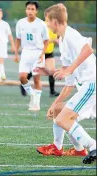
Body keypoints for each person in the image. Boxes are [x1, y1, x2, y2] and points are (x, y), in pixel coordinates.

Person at [36, 3, 96, 164]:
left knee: (63, 119)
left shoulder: (71, 35)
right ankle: (72, 149)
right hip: (86, 87)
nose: (47, 24)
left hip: (92, 85)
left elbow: (88, 50)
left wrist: (69, 69)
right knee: (58, 110)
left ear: (55, 21)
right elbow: (69, 84)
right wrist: (53, 104)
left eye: (47, 21)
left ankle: (93, 146)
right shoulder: (63, 41)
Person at [15, 1, 49, 111]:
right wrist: (16, 53)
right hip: (25, 52)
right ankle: (32, 94)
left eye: (32, 9)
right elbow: (18, 39)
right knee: (22, 77)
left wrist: (42, 54)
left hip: (38, 53)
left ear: (36, 11)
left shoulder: (41, 24)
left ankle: (36, 103)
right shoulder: (20, 23)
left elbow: (46, 40)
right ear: (26, 10)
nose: (30, 11)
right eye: (28, 9)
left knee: (36, 79)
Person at [20, 21, 60, 97]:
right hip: (40, 52)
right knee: (35, 71)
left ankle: (52, 91)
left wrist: (58, 40)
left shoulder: (55, 26)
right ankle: (23, 84)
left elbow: (57, 38)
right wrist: (51, 40)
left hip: (49, 52)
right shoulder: (41, 26)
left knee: (51, 70)